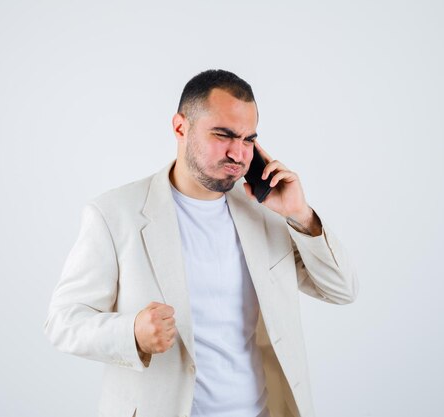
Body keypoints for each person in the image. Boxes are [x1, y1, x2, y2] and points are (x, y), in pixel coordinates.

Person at [44, 69, 358, 417]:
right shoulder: (115, 213)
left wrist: (301, 214)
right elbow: (63, 322)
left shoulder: (267, 212)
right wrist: (131, 332)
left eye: (248, 139)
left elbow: (341, 290)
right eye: (223, 135)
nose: (238, 155)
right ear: (181, 127)